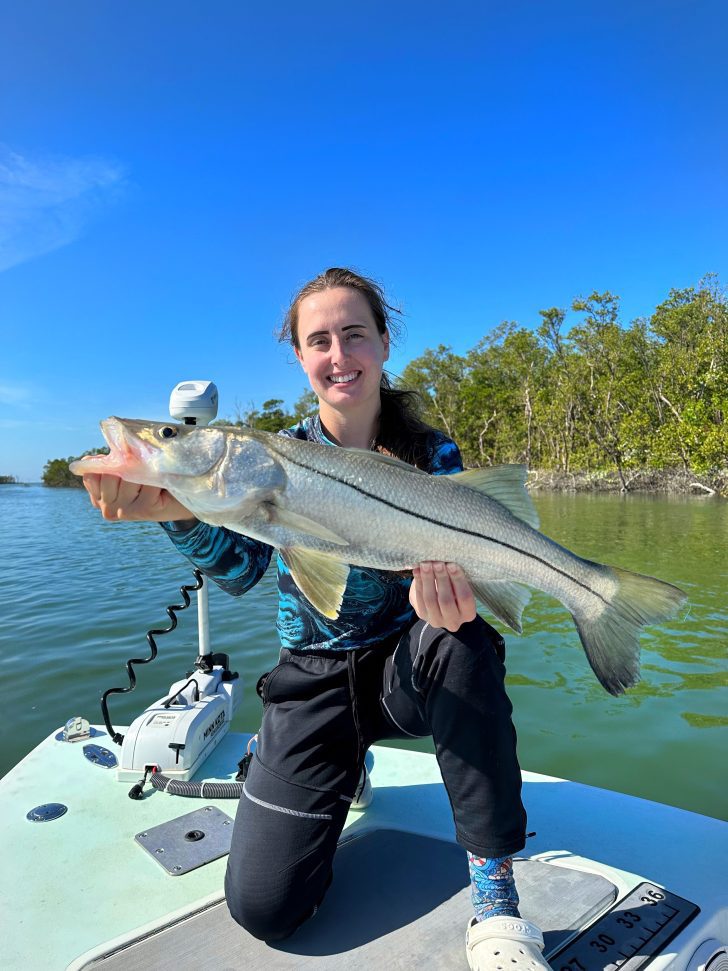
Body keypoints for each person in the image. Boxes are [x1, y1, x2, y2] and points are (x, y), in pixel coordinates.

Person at [81, 268, 550, 971]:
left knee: (464, 639)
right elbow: (238, 570)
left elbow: (465, 565)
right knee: (265, 908)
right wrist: (175, 512)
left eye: (354, 334)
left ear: (384, 343)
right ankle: (344, 763)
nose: (339, 354)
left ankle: (496, 894)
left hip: (406, 671)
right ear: (301, 356)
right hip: (314, 682)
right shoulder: (265, 456)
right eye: (319, 340)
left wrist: (461, 604)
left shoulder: (432, 453)